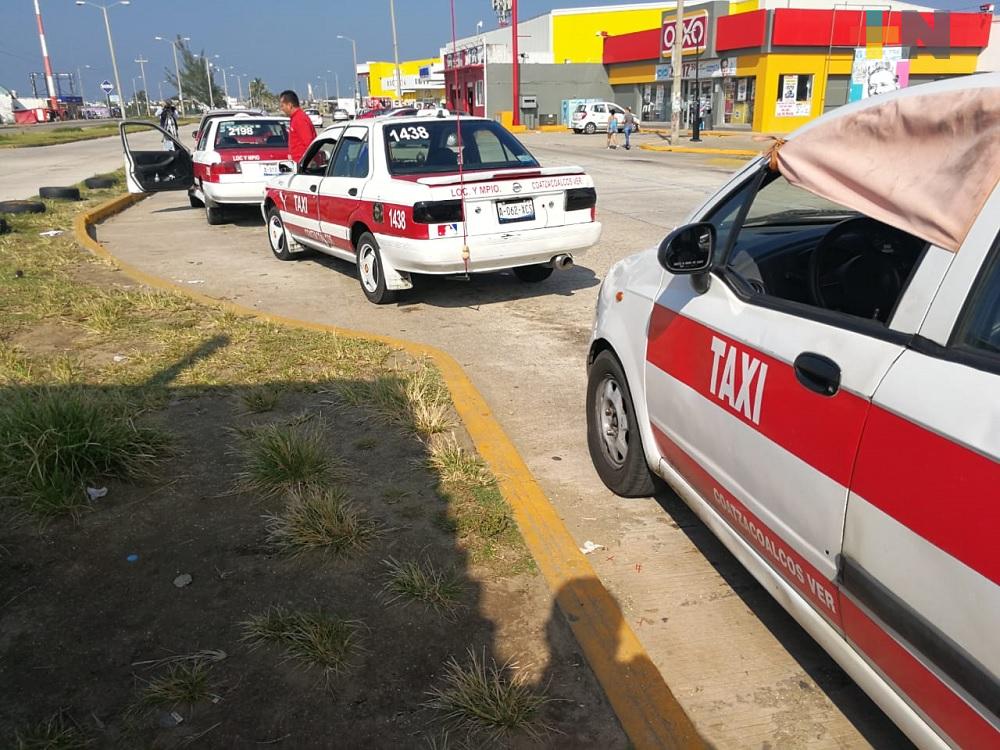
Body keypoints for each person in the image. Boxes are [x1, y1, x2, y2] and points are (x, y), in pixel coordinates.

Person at [279, 89, 317, 163]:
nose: (282, 109)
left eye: (282, 106)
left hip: (303, 163)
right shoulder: (295, 118)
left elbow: (309, 144)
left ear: (290, 105)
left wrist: (306, 164)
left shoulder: (300, 119)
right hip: (297, 162)